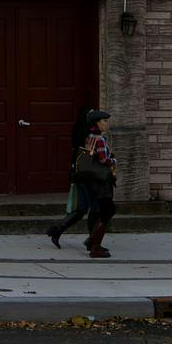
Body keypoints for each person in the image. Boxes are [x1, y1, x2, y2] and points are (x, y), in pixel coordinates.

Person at [45, 107, 118, 258]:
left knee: (87, 209)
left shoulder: (88, 137)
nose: (106, 124)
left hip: (85, 177)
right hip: (98, 181)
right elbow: (104, 159)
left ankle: (88, 241)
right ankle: (93, 244)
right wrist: (114, 160)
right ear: (96, 123)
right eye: (104, 121)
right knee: (100, 211)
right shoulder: (100, 139)